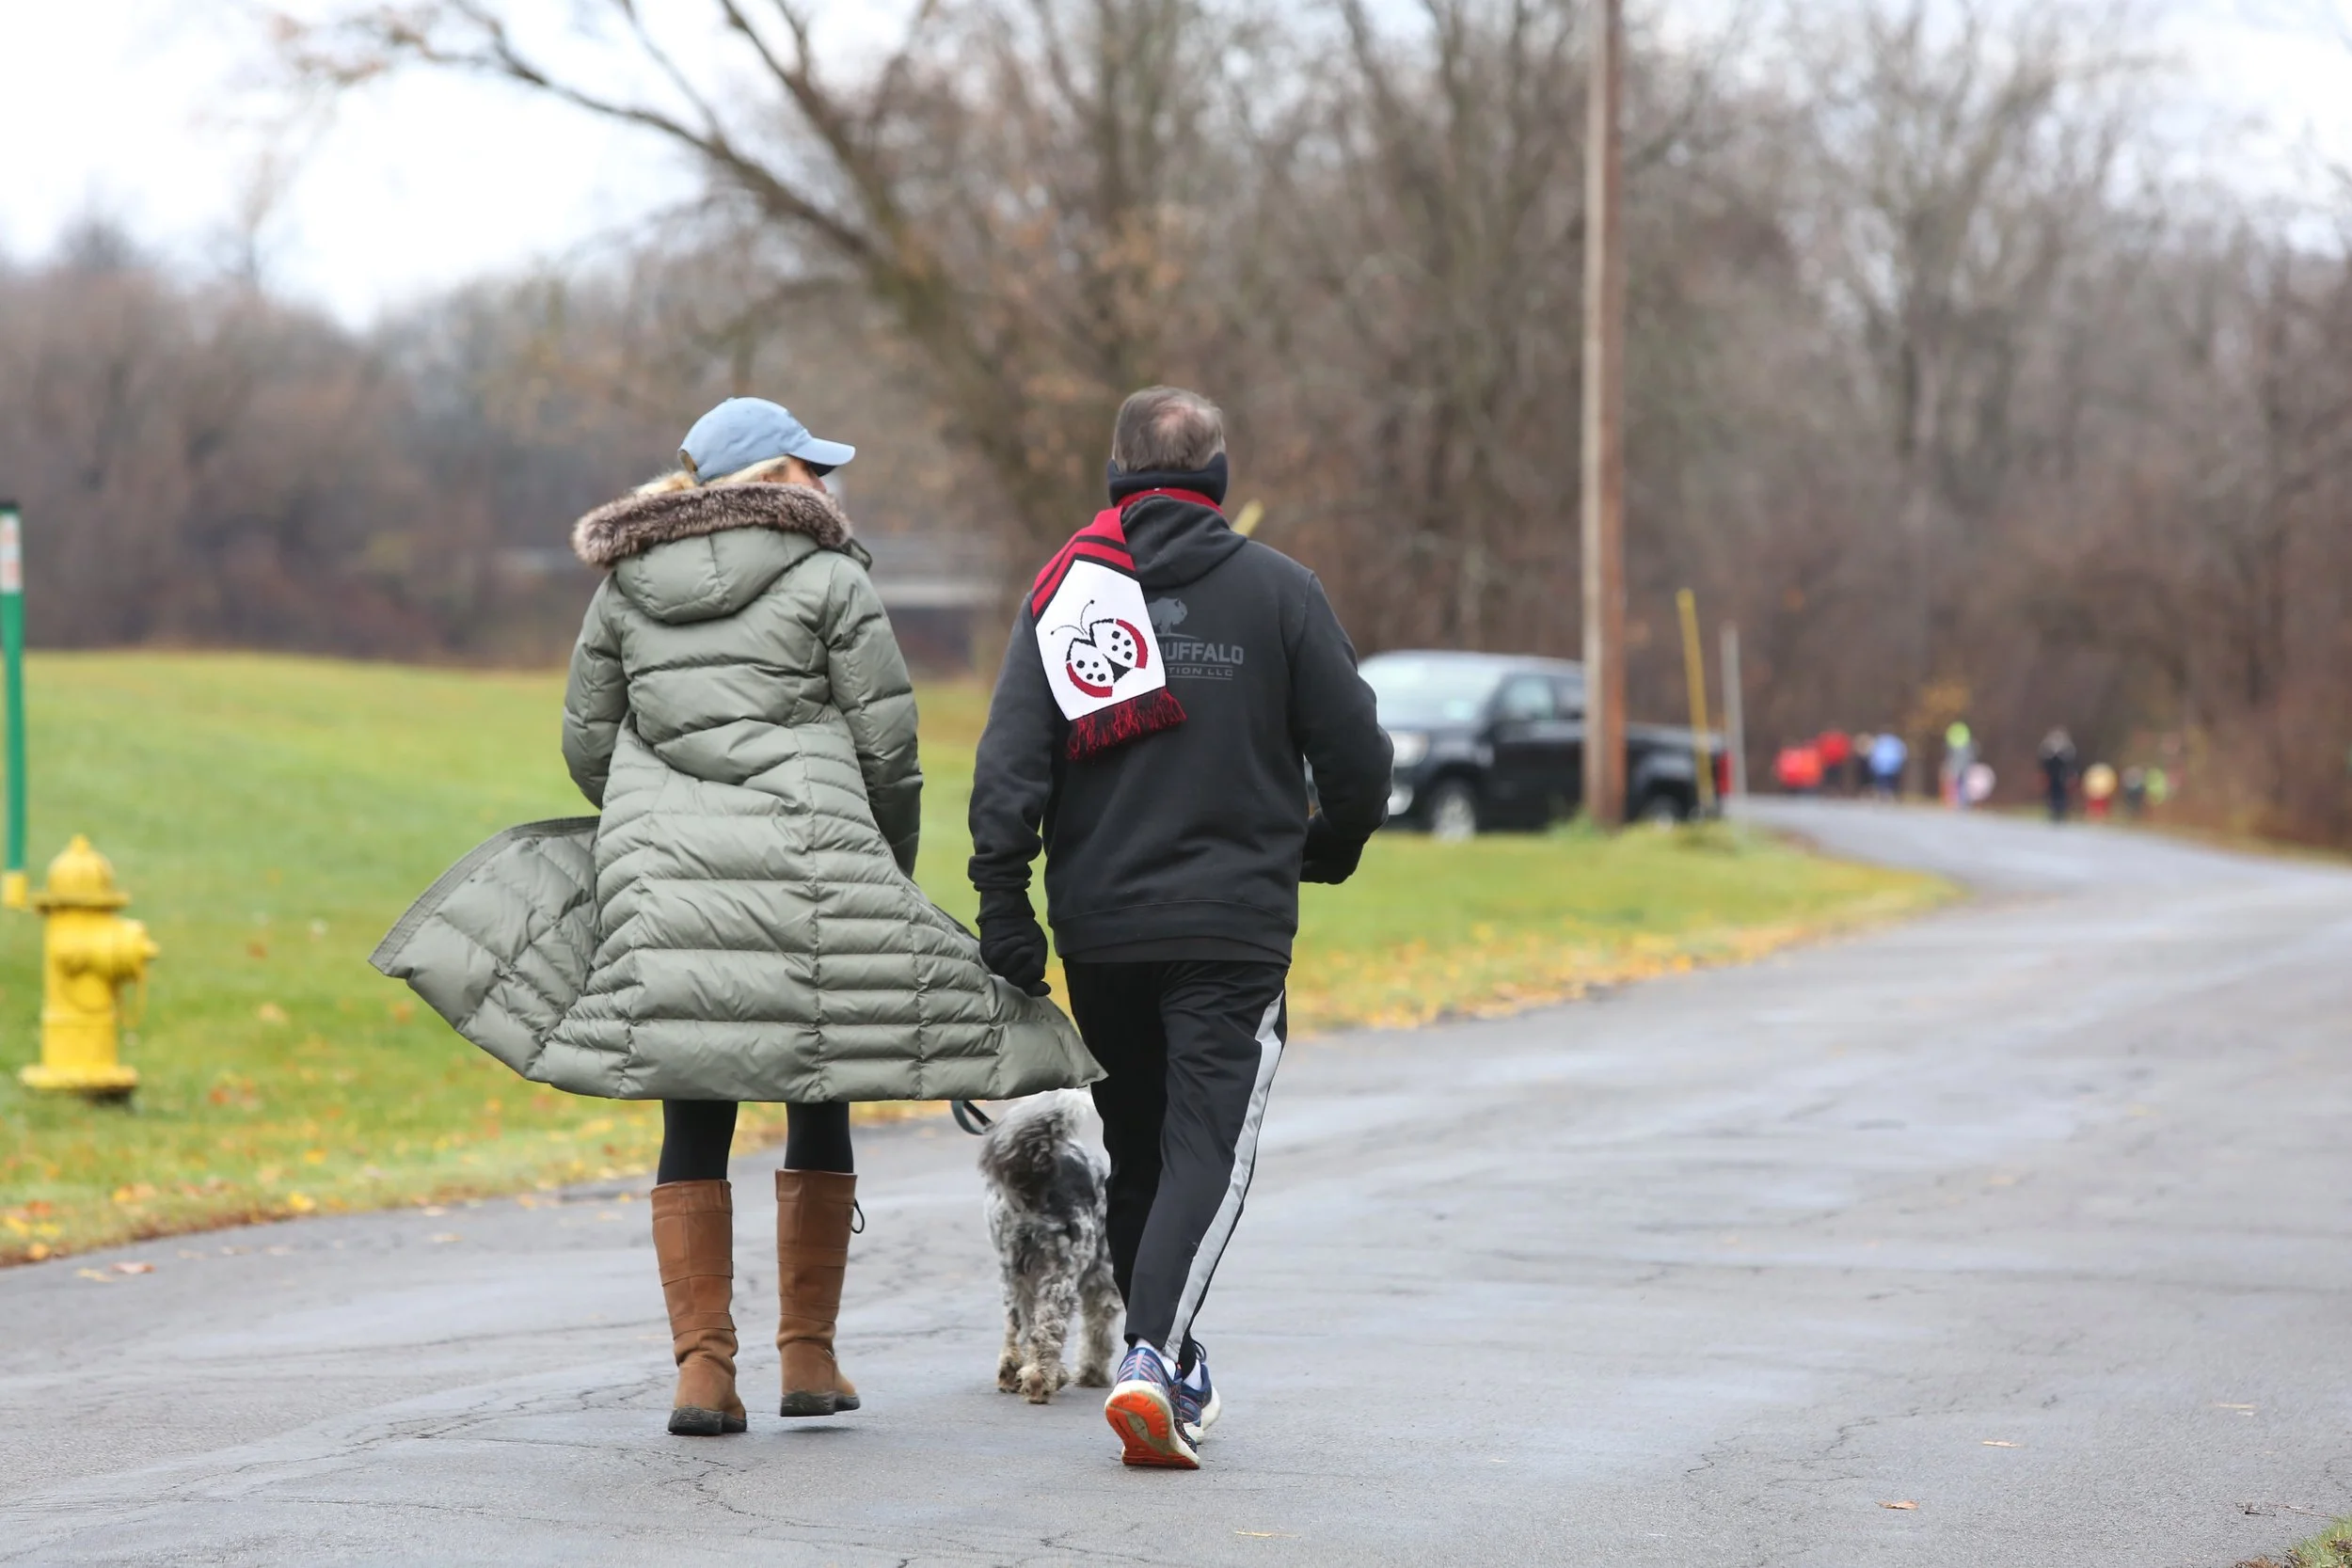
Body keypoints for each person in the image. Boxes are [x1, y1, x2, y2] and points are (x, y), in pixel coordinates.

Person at [377, 396, 1097, 1440]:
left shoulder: (625, 584)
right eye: (811, 464)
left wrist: (650, 808)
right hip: (817, 865)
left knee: (694, 1103)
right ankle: (808, 1354)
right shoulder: (831, 575)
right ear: (772, 475)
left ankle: (703, 1374)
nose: (826, 481)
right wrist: (879, 864)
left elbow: (586, 743)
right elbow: (888, 747)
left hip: (666, 876)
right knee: (821, 1082)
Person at [968, 386, 1391, 1470]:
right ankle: (1152, 1357)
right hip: (1231, 929)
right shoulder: (1281, 592)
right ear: (1217, 477)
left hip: (1102, 930)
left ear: (1117, 474)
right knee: (1205, 1146)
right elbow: (1359, 759)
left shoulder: (1067, 594)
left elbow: (1009, 765)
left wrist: (1005, 906)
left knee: (1142, 1149)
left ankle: (1165, 1354)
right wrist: (1327, 844)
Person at [2039, 727, 2077, 822]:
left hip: (2062, 776)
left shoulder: (2067, 750)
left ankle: (2061, 811)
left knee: (2062, 794)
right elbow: (2044, 764)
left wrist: (2071, 775)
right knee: (2052, 793)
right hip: (2052, 777)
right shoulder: (2047, 749)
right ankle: (2053, 811)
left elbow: (2070, 765)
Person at [1868, 730, 1908, 800]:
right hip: (1883, 765)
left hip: (1889, 765)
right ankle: (1883, 794)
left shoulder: (1894, 741)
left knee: (1889, 781)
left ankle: (1888, 794)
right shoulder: (1880, 741)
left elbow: (1902, 752)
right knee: (1883, 781)